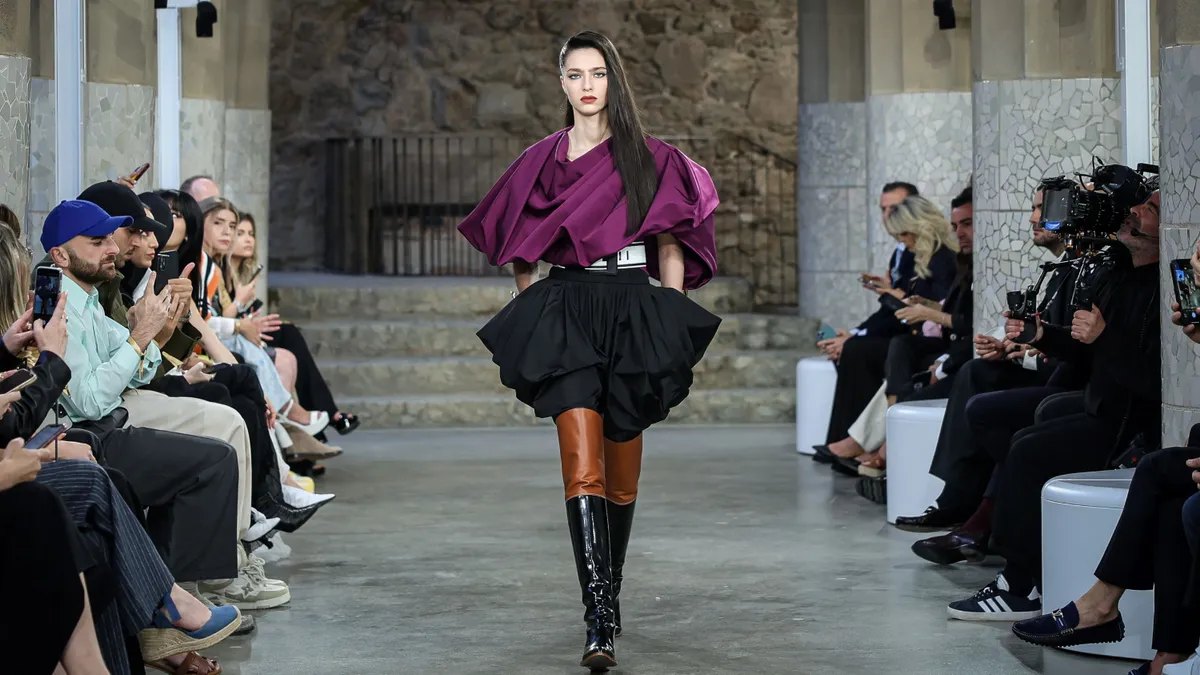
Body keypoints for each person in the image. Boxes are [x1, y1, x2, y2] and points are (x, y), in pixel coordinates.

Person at [456, 30, 721, 671]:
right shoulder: (541, 161)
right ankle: (598, 615)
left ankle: (614, 591)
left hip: (633, 308)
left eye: (596, 73)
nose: (586, 85)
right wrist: (530, 309)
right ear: (562, 84)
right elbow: (517, 243)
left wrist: (670, 310)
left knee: (622, 474)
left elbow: (671, 244)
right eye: (574, 74)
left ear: (613, 80)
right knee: (583, 465)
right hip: (568, 308)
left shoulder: (650, 157)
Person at [946, 190, 1162, 621]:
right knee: (1019, 429)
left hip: (1135, 422)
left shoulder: (1161, 285)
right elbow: (1088, 354)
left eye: (1150, 209)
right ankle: (1021, 560)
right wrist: (1040, 335)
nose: (1133, 212)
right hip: (1103, 406)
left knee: (1029, 447)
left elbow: (1153, 379)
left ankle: (1020, 582)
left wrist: (1102, 338)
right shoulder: (1117, 273)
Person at [813, 194, 960, 468]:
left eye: (904, 233)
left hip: (936, 342)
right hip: (916, 336)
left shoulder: (943, 259)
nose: (902, 241)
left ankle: (870, 439)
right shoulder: (920, 257)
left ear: (921, 227)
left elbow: (939, 312)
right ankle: (857, 438)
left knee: (883, 350)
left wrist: (896, 296)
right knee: (867, 349)